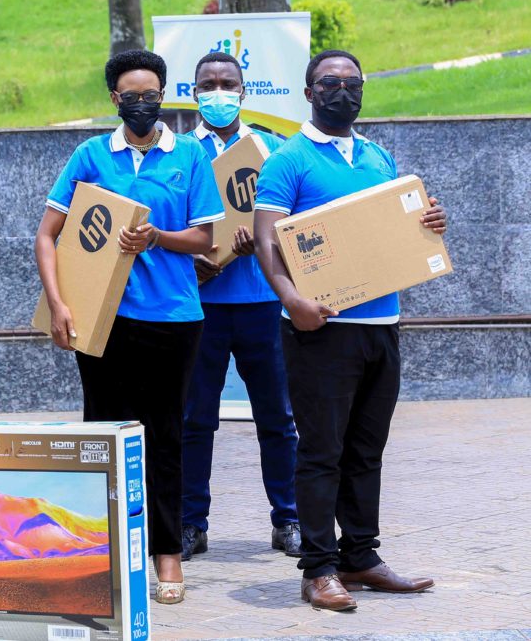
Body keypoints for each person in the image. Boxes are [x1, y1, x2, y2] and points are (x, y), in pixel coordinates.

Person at [254, 50, 445, 611]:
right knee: (321, 452)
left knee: (366, 449)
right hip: (320, 329)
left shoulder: (379, 156)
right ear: (309, 92)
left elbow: (395, 230)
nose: (343, 91)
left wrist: (429, 224)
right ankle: (318, 568)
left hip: (382, 324)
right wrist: (290, 298)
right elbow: (268, 239)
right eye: (330, 83)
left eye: (352, 83)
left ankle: (361, 556)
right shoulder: (288, 160)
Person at [34, 49, 224, 605]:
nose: (141, 104)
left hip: (172, 319)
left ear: (163, 96)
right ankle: (107, 555)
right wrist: (58, 303)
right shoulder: (92, 155)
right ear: (113, 99)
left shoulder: (187, 155)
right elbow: (48, 234)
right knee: (103, 436)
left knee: (165, 437)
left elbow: (206, 239)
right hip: (101, 320)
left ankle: (166, 555)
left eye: (151, 94)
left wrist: (156, 238)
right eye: (129, 95)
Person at [180, 52, 300, 561]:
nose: (219, 92)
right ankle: (189, 524)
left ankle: (290, 519)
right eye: (208, 84)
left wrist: (266, 242)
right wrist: (195, 264)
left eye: (228, 83)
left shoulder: (273, 152)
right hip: (197, 307)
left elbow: (299, 224)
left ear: (245, 92)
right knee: (193, 421)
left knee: (278, 418)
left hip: (263, 305)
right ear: (192, 94)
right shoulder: (179, 153)